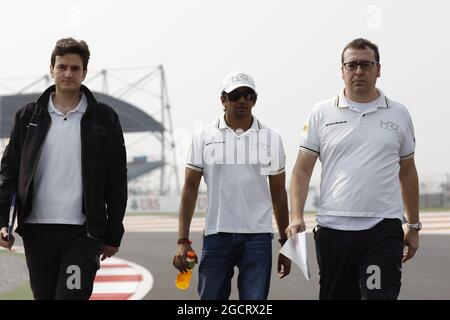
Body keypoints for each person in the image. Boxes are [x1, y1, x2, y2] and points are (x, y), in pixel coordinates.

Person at [287, 38, 420, 300]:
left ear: (378, 69)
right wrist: (296, 216)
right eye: (352, 65)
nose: (358, 71)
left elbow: (407, 172)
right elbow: (301, 171)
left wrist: (413, 225)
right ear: (342, 71)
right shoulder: (321, 113)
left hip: (382, 230)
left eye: (365, 64)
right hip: (333, 230)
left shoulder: (399, 113)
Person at [0, 38, 128, 300]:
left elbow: (116, 180)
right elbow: (9, 173)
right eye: (62, 67)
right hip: (37, 230)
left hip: (83, 232)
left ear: (84, 72)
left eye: (75, 68)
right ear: (51, 69)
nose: (68, 73)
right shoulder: (28, 116)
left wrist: (113, 232)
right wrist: (3, 222)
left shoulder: (104, 118)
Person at [173, 71, 291, 300]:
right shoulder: (203, 137)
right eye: (235, 94)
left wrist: (287, 245)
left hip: (258, 237)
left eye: (249, 95)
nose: (243, 100)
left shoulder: (272, 138)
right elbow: (189, 189)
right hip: (217, 235)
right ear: (223, 99)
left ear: (254, 100)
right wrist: (182, 241)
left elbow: (279, 193)